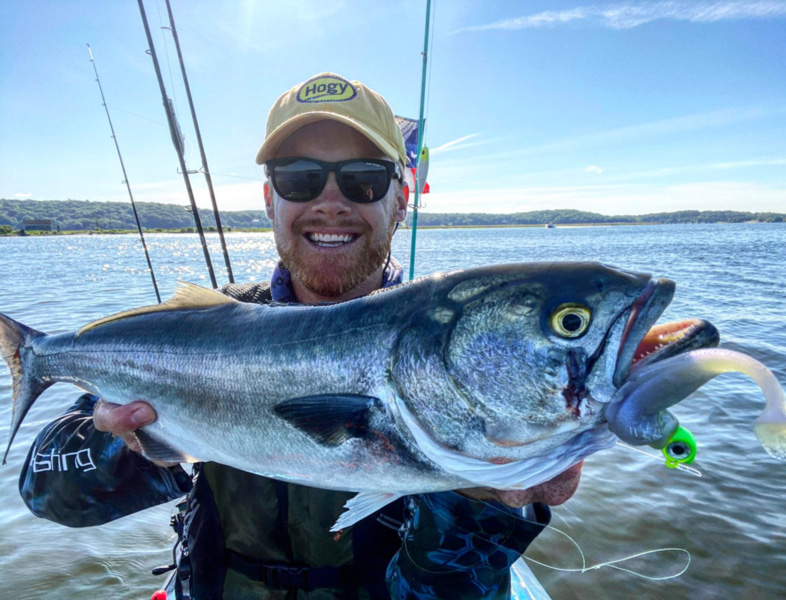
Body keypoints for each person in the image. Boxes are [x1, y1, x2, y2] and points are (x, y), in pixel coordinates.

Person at [19, 73, 582, 599]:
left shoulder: (451, 354)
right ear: (270, 200)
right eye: (299, 177)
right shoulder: (194, 336)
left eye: (363, 179)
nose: (330, 201)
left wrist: (483, 505)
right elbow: (46, 495)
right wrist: (128, 445)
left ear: (401, 200)